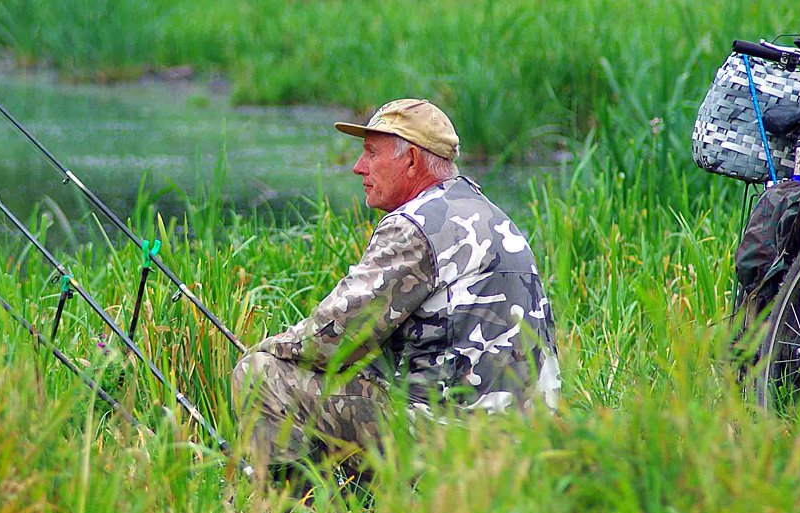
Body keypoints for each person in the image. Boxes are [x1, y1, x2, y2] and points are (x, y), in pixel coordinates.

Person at [232, 98, 561, 470]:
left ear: (411, 161)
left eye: (371, 153)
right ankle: (357, 501)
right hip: (529, 436)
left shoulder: (417, 225)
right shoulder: (486, 212)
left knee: (260, 375)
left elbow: (332, 337)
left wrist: (265, 350)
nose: (358, 168)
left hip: (461, 440)